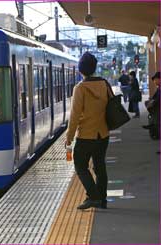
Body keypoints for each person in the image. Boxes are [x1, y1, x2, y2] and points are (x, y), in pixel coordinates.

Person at [65, 52, 110, 210]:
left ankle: (94, 197)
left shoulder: (80, 88)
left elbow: (75, 115)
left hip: (86, 135)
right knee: (99, 166)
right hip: (103, 134)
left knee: (80, 166)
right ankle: (102, 199)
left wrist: (69, 137)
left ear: (80, 69)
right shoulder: (104, 84)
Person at [142, 72, 160, 140]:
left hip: (158, 107)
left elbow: (157, 99)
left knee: (155, 115)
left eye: (155, 79)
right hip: (157, 106)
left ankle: (153, 126)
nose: (154, 81)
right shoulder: (158, 88)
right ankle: (152, 125)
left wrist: (152, 102)